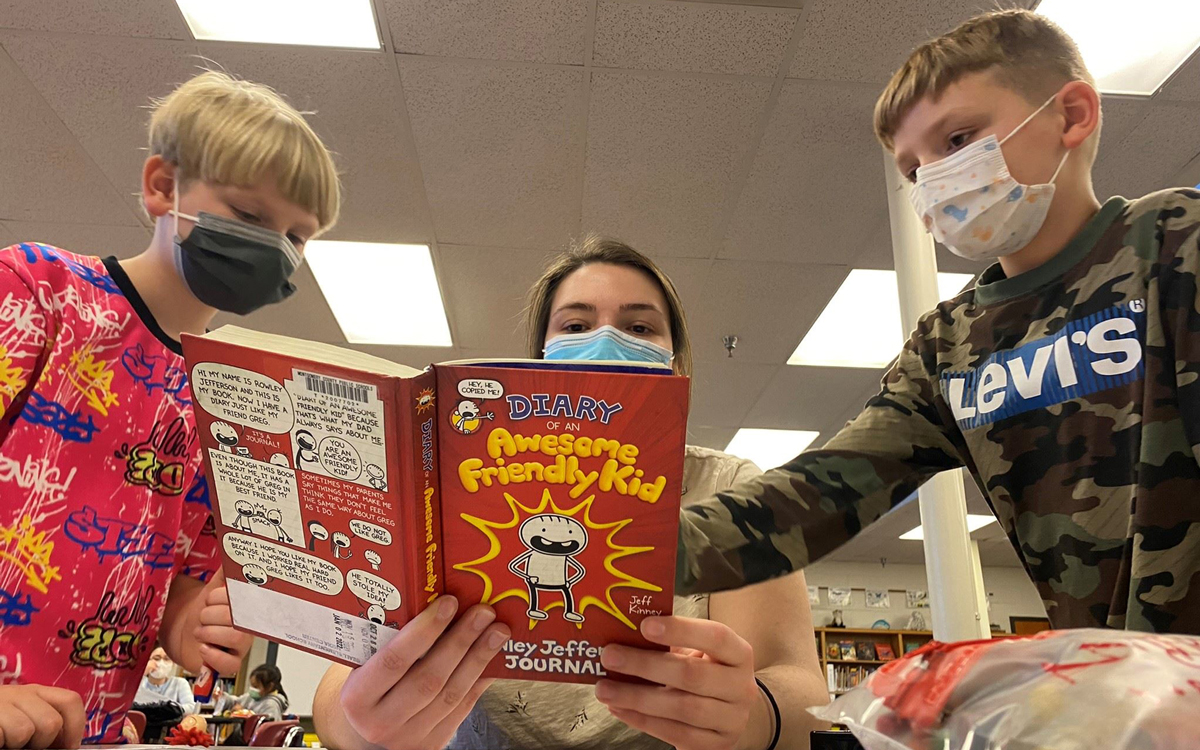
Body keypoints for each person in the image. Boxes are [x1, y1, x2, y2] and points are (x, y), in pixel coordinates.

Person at [673, 8, 1200, 635]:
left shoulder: (1176, 239)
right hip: (1117, 679)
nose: (934, 180)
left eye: (956, 140)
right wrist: (615, 547)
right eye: (913, 170)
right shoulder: (948, 346)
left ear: (1072, 114)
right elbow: (818, 494)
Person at [313, 238, 829, 750]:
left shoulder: (733, 488)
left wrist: (754, 716)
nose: (605, 340)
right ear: (540, 357)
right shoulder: (447, 479)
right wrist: (365, 725)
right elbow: (337, 697)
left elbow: (805, 699)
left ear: (676, 363)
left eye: (639, 328)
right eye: (576, 326)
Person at [0, 69, 340, 747]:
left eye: (297, 238)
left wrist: (191, 623)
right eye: (250, 216)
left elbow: (181, 581)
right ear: (162, 187)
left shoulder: (230, 398)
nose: (275, 249)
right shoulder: (41, 293)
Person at [136, 648, 198, 716]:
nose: (161, 663)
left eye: (166, 659)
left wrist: (167, 710)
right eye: (156, 658)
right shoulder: (140, 683)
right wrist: (143, 672)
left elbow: (191, 707)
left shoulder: (180, 683)